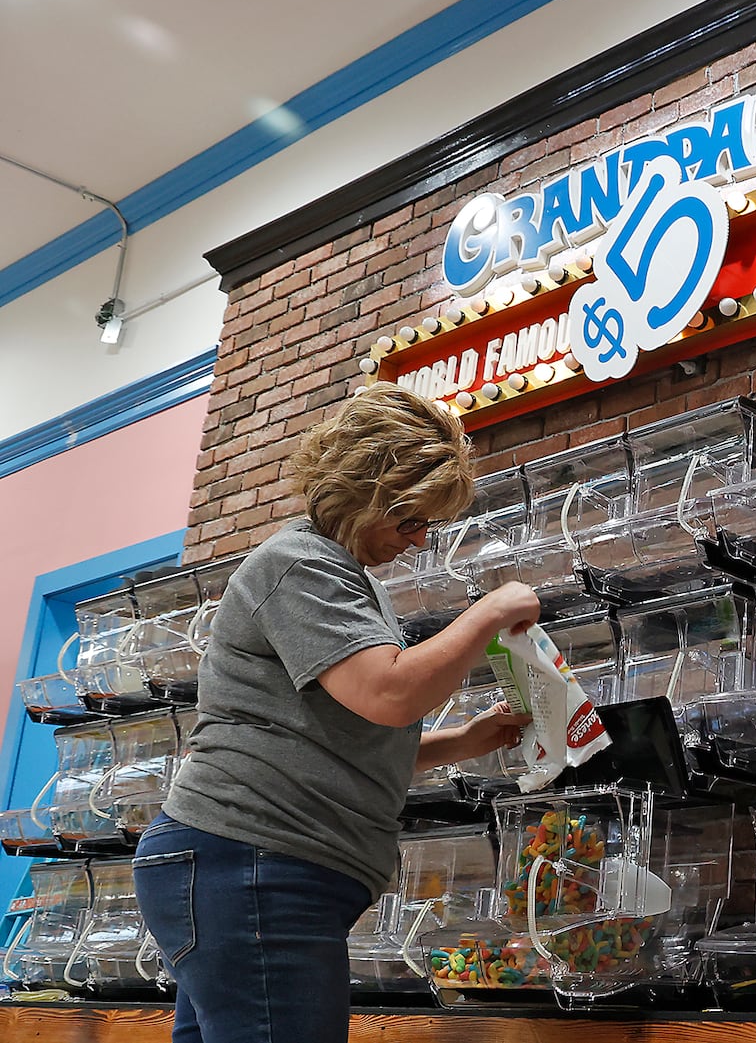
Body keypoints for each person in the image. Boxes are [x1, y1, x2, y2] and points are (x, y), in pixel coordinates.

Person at [132, 382, 543, 1043]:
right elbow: (387, 692)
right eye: (409, 519)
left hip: (245, 869)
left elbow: (338, 735)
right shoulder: (299, 564)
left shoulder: (346, 577)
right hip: (251, 865)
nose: (416, 540)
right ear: (363, 489)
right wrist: (489, 612)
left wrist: (464, 740)